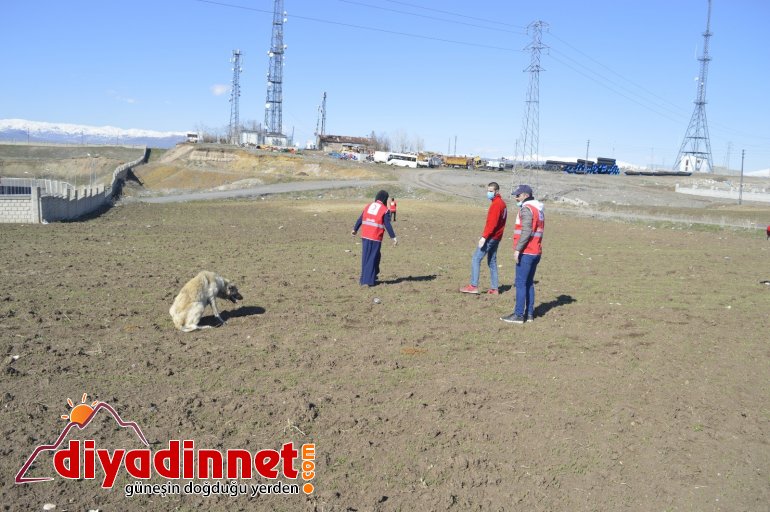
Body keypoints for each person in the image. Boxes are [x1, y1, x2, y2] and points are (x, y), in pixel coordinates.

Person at [501, 184, 544, 324]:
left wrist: (518, 249)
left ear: (525, 195)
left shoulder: (527, 209)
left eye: (518, 195)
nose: (516, 198)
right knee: (529, 283)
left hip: (527, 251)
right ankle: (529, 314)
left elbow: (526, 231)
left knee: (520, 283)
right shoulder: (539, 209)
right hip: (536, 251)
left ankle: (519, 314)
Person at [459, 182, 507, 295]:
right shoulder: (502, 204)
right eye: (488, 190)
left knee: (476, 258)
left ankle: (473, 285)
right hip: (497, 237)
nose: (488, 193)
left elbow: (492, 223)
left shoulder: (496, 204)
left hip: (491, 237)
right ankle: (494, 288)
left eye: (491, 191)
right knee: (492, 261)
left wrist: (484, 237)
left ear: (497, 191)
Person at [352, 190, 398, 286]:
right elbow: (387, 224)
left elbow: (361, 218)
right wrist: (393, 237)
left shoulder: (368, 206)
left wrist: (355, 229)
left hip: (365, 235)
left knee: (367, 257)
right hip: (375, 236)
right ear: (385, 199)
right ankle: (367, 281)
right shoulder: (384, 209)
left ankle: (368, 277)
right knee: (372, 257)